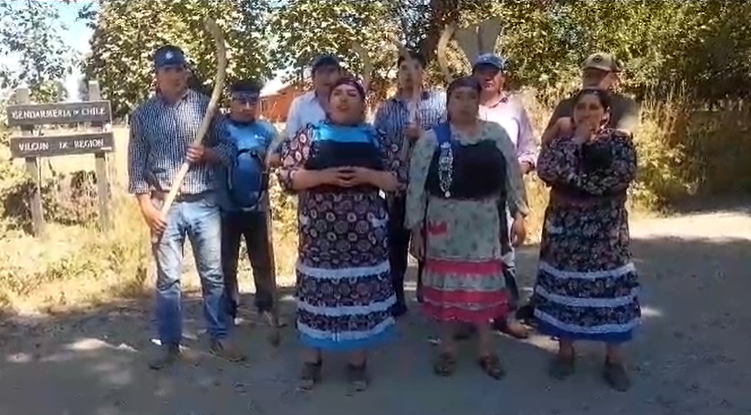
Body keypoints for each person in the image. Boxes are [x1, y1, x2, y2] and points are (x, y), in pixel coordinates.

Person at [276, 77, 404, 392]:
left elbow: (398, 179)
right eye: (337, 94)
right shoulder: (310, 134)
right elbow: (287, 175)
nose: (343, 99)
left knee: (360, 296)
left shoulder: (376, 137)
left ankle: (357, 364)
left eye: (351, 94)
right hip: (319, 236)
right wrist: (323, 176)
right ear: (328, 102)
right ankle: (312, 362)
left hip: (366, 237)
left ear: (362, 104)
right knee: (317, 296)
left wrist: (367, 175)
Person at [127, 45, 244, 369]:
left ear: (186, 72)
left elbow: (230, 148)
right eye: (167, 70)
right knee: (168, 280)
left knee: (213, 275)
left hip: (204, 202)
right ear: (157, 76)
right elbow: (136, 167)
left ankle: (219, 335)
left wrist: (208, 154)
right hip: (165, 205)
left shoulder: (205, 107)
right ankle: (170, 344)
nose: (175, 75)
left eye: (179, 69)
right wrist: (146, 207)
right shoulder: (143, 116)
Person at [405, 76, 529, 379]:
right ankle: (448, 350)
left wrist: (520, 214)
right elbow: (416, 187)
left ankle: (487, 351)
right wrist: (415, 229)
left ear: (478, 101)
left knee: (483, 287)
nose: (465, 103)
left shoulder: (495, 135)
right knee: (448, 289)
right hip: (443, 225)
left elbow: (513, 176)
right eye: (458, 97)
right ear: (448, 103)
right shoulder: (432, 139)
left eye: (471, 97)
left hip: (484, 224)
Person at [532, 88, 641, 392]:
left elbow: (616, 178)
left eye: (594, 107)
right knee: (565, 290)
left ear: (606, 114)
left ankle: (614, 361)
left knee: (610, 293)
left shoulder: (619, 143)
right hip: (565, 233)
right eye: (581, 107)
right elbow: (546, 170)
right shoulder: (562, 142)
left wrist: (572, 179)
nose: (587, 113)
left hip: (606, 235)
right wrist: (576, 143)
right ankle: (565, 353)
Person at [373, 50, 446, 317]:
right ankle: (395, 296)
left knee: (431, 240)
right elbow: (378, 145)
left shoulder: (438, 104)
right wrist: (388, 175)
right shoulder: (386, 109)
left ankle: (428, 293)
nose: (409, 73)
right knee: (396, 243)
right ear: (398, 73)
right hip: (398, 187)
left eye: (416, 67)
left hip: (431, 186)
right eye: (404, 68)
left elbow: (448, 139)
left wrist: (422, 135)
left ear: (424, 72)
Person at [472, 53, 538, 339]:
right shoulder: (464, 105)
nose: (487, 77)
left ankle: (506, 315)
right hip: (468, 195)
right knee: (469, 256)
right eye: (482, 71)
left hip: (504, 192)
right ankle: (469, 316)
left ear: (502, 77)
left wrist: (514, 169)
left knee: (505, 256)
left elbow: (529, 149)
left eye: (493, 72)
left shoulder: (515, 109)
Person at [218, 79, 278, 322]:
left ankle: (265, 306)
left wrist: (270, 157)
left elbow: (281, 156)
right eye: (241, 101)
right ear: (231, 101)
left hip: (257, 206)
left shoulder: (266, 131)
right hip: (225, 207)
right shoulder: (220, 128)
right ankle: (229, 307)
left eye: (252, 101)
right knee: (227, 261)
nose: (246, 106)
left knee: (261, 260)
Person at [542, 53, 640, 145]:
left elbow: (623, 137)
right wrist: (558, 126)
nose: (593, 80)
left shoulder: (625, 105)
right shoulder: (566, 104)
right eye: (589, 75)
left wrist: (588, 136)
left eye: (598, 76)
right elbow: (545, 140)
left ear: (613, 78)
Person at [266, 54, 342, 168]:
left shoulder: (348, 101)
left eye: (331, 71)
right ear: (313, 78)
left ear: (340, 75)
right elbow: (291, 137)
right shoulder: (300, 104)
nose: (326, 76)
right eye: (321, 72)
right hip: (308, 167)